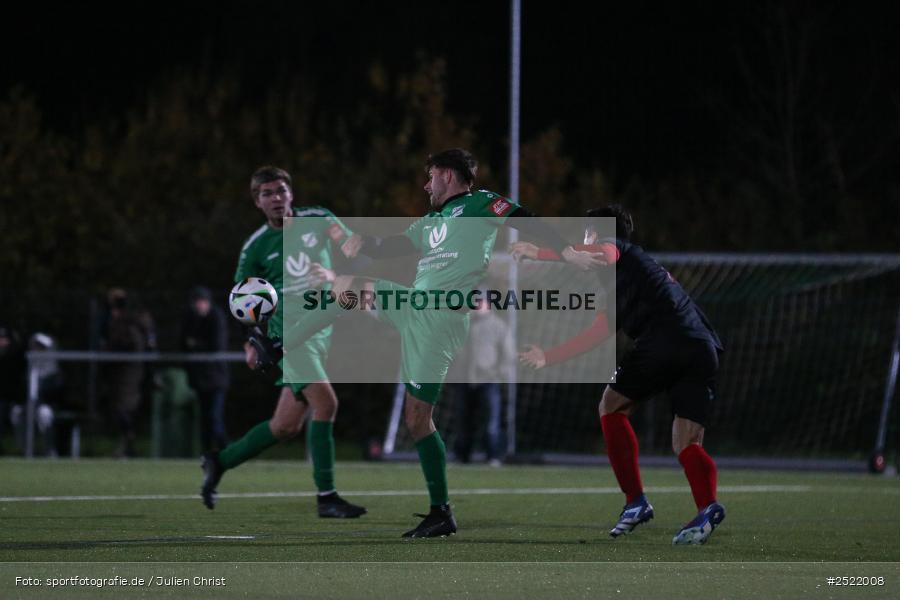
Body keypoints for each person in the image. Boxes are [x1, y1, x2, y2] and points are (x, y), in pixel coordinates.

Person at [277, 148, 604, 537]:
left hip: (441, 318)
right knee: (346, 290)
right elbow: (391, 247)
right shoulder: (430, 221)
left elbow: (527, 220)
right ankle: (280, 344)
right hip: (414, 306)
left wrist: (564, 251)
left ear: (448, 175)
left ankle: (441, 512)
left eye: (430, 176)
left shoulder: (481, 203)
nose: (425, 184)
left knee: (417, 418)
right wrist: (363, 243)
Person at [515, 205, 726, 545]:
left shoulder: (618, 250)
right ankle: (707, 508)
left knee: (611, 406)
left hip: (665, 341)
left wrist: (541, 252)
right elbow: (600, 332)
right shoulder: (628, 277)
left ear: (594, 233)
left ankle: (635, 502)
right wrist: (547, 356)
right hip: (702, 348)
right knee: (686, 442)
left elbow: (604, 252)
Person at [200, 166, 366, 519]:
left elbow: (355, 248)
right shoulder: (255, 247)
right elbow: (242, 300)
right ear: (257, 202)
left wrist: (336, 275)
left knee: (285, 426)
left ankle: (219, 460)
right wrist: (251, 340)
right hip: (288, 337)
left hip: (322, 330)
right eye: (267, 194)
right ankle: (327, 497)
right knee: (326, 405)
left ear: (291, 194)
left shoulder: (320, 218)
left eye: (280, 191)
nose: (276, 198)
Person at [448, 298, 513, 465]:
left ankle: (493, 456)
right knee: (463, 421)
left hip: (488, 381)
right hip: (464, 381)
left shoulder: (498, 326)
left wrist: (498, 373)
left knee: (491, 422)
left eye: (480, 301)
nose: (476, 305)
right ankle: (462, 456)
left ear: (488, 303)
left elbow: (508, 355)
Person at [180, 285, 230, 453]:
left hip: (216, 379)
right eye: (197, 302)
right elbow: (182, 342)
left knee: (214, 417)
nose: (199, 305)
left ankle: (226, 451)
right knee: (205, 418)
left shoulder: (216, 318)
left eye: (202, 302)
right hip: (200, 378)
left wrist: (195, 344)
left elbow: (216, 345)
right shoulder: (191, 318)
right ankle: (207, 452)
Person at [103, 288, 148, 458]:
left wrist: (115, 350)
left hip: (128, 373)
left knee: (123, 409)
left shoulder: (129, 324)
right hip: (121, 372)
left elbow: (132, 345)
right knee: (120, 408)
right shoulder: (124, 322)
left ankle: (128, 444)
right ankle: (127, 445)